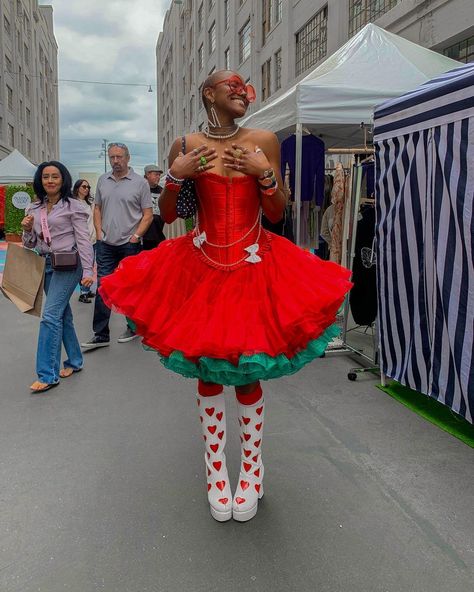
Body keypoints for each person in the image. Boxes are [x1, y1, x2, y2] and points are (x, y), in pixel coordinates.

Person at [99, 70, 352, 522]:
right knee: (208, 371)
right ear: (209, 94)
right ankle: (217, 472)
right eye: (231, 86)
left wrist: (266, 175)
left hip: (256, 266)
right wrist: (174, 177)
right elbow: (171, 213)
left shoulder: (263, 139)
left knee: (249, 372)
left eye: (245, 87)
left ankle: (251, 472)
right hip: (200, 266)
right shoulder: (185, 144)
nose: (241, 92)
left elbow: (275, 213)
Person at [21, 161, 94, 393]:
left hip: (70, 265)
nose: (50, 181)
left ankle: (47, 374)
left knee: (50, 316)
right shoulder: (34, 208)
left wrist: (89, 271)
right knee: (63, 315)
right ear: (40, 181)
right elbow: (30, 243)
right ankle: (74, 360)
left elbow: (83, 240)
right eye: (45, 177)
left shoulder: (74, 206)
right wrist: (26, 229)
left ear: (63, 179)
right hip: (47, 264)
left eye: (55, 176)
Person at [81, 143, 153, 350]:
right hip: (106, 244)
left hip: (129, 245)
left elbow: (147, 214)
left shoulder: (140, 183)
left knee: (130, 288)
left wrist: (136, 236)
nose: (115, 161)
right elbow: (97, 209)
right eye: (112, 157)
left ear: (128, 158)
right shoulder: (103, 180)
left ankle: (133, 327)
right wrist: (99, 231)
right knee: (104, 287)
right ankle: (101, 334)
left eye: (119, 157)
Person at [73, 179, 96, 302]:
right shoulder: (73, 203)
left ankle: (86, 289)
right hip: (81, 240)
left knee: (90, 265)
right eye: (84, 186)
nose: (86, 189)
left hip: (92, 239)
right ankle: (83, 292)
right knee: (82, 266)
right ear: (77, 188)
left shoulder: (88, 203)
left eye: (88, 187)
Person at [142, 165, 166, 250]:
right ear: (146, 176)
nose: (158, 177)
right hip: (143, 237)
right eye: (156, 174)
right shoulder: (140, 191)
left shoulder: (163, 191)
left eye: (159, 175)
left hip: (159, 235)